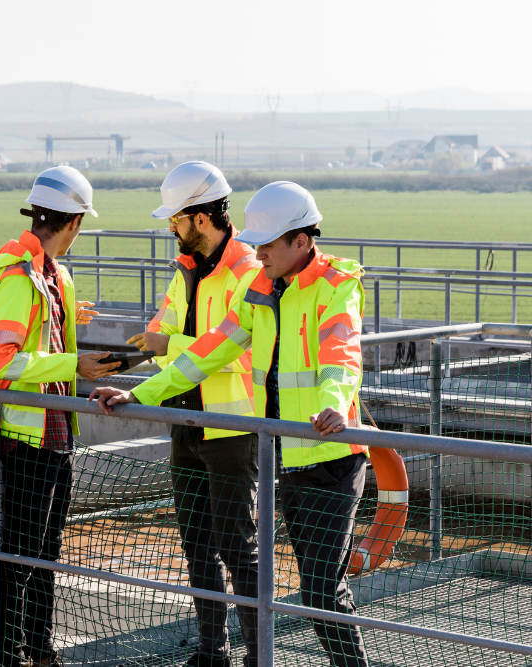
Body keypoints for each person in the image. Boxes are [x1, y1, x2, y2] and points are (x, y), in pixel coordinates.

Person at [90, 181, 370, 667]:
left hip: (331, 456)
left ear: (301, 242)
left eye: (267, 244)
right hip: (286, 456)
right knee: (315, 592)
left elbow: (341, 355)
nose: (257, 251)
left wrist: (332, 404)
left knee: (322, 592)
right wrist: (138, 393)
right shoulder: (263, 288)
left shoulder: (335, 286)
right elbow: (206, 352)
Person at [0, 166, 121, 667]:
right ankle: (9, 656)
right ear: (72, 222)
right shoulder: (18, 279)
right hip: (24, 436)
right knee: (19, 555)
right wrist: (75, 362)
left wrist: (68, 316)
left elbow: (32, 335)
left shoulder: (50, 276)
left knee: (44, 551)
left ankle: (40, 651)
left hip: (51, 433)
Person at [129, 161, 262, 667]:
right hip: (186, 422)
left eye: (176, 219)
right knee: (197, 546)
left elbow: (242, 354)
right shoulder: (185, 271)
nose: (171, 228)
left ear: (201, 218)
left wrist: (170, 345)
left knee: (239, 549)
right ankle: (213, 653)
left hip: (231, 428)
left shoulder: (248, 272)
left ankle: (258, 656)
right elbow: (160, 338)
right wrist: (152, 351)